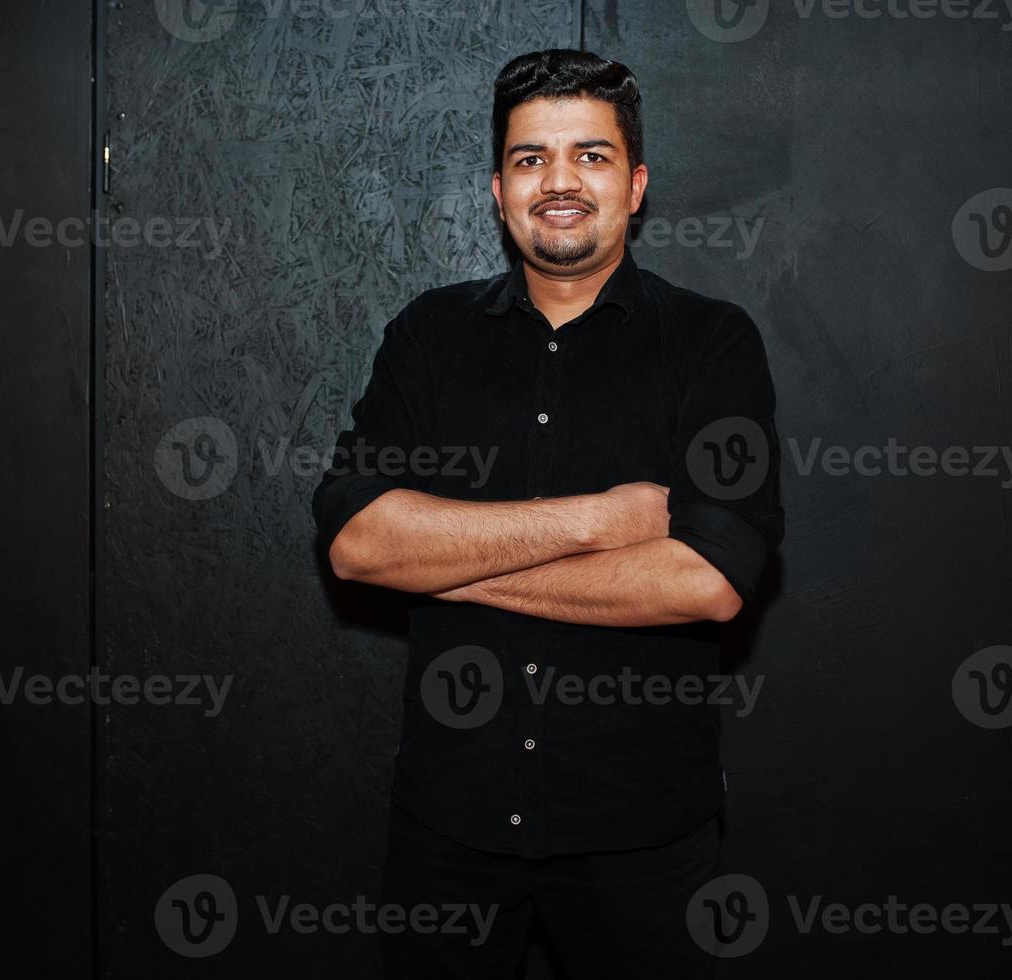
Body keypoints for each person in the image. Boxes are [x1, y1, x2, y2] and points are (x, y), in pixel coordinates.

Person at [312, 47, 784, 979]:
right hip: (450, 825)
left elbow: (712, 578)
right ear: (496, 189)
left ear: (636, 184)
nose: (559, 181)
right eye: (530, 159)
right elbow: (359, 544)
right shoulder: (427, 335)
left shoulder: (711, 341)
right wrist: (602, 519)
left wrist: (450, 555)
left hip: (640, 833)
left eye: (591, 156)